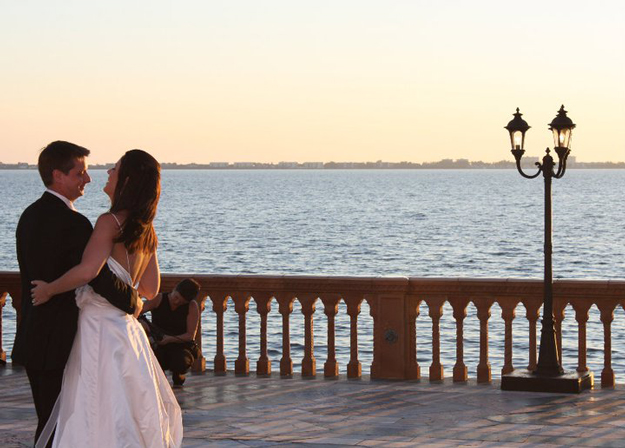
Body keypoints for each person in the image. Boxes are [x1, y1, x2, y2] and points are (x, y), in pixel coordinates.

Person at [30, 149, 182, 448]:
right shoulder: (146, 230)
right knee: (125, 409)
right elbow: (151, 289)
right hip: (126, 332)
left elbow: (88, 271)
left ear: (127, 180)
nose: (108, 173)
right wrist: (131, 295)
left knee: (94, 405)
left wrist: (50, 289)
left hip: (98, 329)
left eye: (115, 169)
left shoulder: (109, 222)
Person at [12, 141, 139, 448]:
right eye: (80, 173)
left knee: (49, 420)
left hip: (33, 336)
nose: (88, 179)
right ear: (58, 175)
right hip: (61, 341)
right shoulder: (73, 223)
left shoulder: (29, 215)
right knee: (62, 424)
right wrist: (132, 301)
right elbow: (98, 277)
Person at [141, 278, 201, 386]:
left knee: (181, 361)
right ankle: (160, 375)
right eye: (176, 297)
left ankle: (178, 373)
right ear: (174, 289)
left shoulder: (192, 306)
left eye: (182, 302)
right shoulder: (159, 298)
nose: (177, 302)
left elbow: (190, 335)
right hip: (158, 343)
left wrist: (169, 339)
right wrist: (142, 323)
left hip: (180, 345)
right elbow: (136, 311)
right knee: (152, 356)